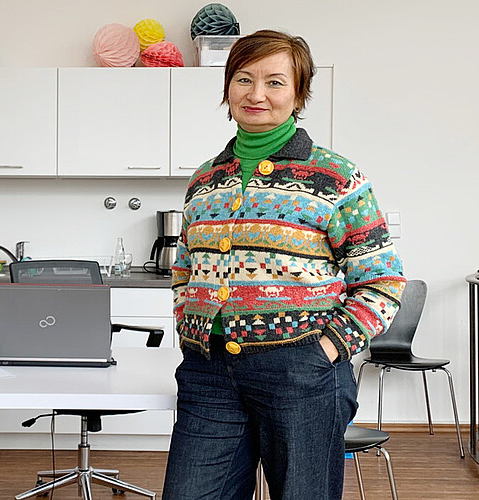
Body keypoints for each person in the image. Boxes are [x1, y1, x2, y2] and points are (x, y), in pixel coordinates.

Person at [163, 29, 405, 500]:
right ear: (227, 87)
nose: (256, 94)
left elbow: (382, 281)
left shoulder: (334, 175)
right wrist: (188, 324)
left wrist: (327, 350)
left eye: (275, 82)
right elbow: (184, 269)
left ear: (298, 93)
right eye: (244, 79)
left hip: (301, 369)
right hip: (209, 373)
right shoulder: (205, 180)